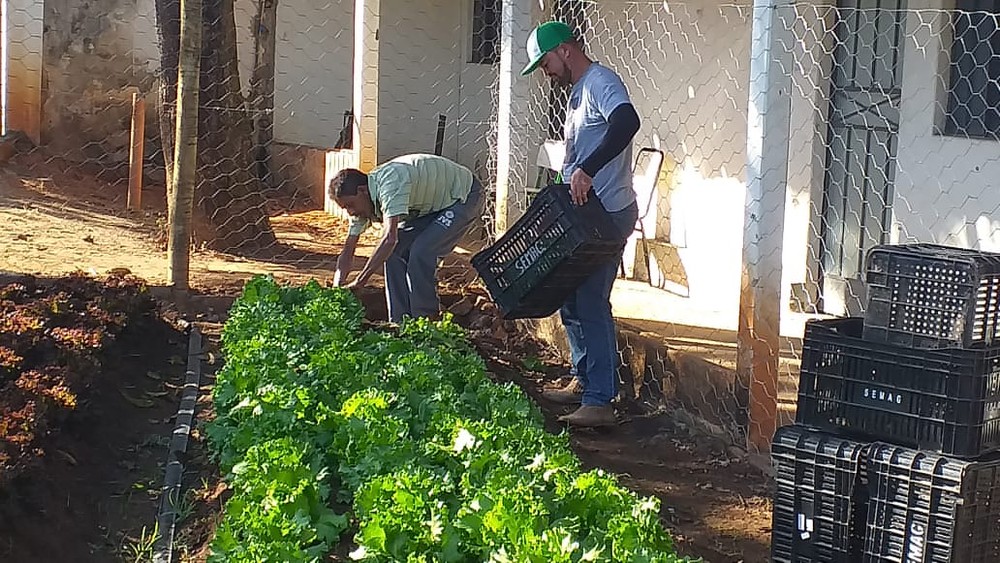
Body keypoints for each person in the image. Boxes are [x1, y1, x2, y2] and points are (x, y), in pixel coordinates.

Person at [522, 21, 641, 427]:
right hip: (584, 213)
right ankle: (583, 378)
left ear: (565, 50)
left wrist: (587, 170)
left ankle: (600, 400)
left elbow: (628, 123)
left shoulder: (600, 82)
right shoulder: (577, 93)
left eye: (545, 62)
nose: (546, 72)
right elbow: (574, 158)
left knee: (591, 301)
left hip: (607, 214)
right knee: (570, 298)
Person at [330, 153, 483, 323]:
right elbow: (348, 250)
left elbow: (389, 238)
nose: (350, 212)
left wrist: (360, 281)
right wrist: (338, 286)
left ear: (362, 190)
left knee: (422, 251)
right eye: (345, 208)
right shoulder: (363, 206)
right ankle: (399, 322)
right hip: (432, 206)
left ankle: (426, 321)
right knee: (394, 253)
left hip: (463, 195)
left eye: (350, 205)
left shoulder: (390, 185)